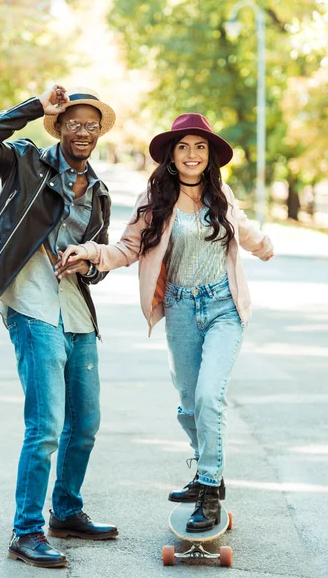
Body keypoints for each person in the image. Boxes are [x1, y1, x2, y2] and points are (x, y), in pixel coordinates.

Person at [57, 113, 274, 533]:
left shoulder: (220, 194)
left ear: (209, 156)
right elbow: (125, 248)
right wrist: (90, 252)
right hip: (178, 308)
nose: (192, 155)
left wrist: (266, 246)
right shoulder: (153, 199)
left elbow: (244, 231)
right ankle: (206, 470)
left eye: (200, 147)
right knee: (189, 407)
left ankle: (210, 488)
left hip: (223, 308)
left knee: (210, 397)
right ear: (172, 156)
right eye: (183, 147)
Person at [0, 84, 119, 568]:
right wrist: (32, 108)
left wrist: (87, 264)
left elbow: (102, 258)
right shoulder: (27, 163)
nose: (83, 131)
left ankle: (66, 512)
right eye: (74, 121)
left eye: (92, 124)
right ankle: (25, 530)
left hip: (75, 310)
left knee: (85, 423)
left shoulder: (99, 190)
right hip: (31, 305)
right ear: (59, 125)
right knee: (46, 425)